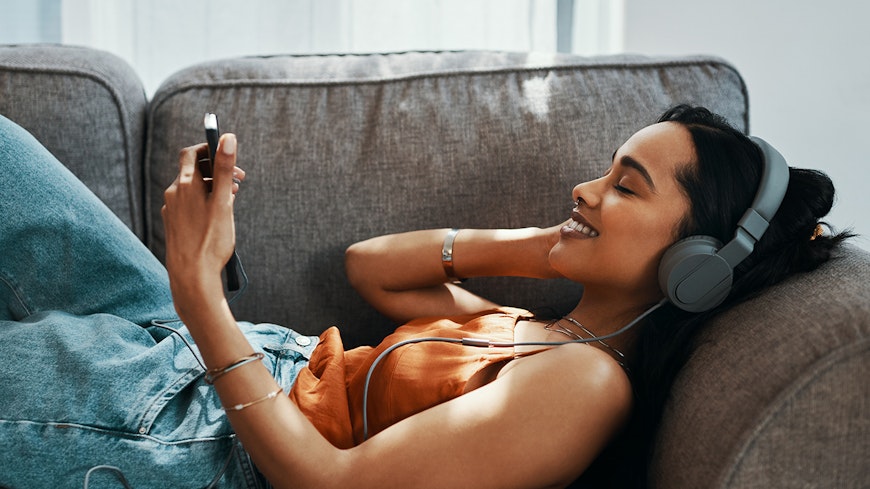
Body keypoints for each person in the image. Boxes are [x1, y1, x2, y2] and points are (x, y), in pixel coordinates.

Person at [0, 105, 849, 489]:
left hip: (198, 435)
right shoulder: (544, 333)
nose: (587, 187)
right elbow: (374, 267)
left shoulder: (583, 387)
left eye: (624, 186)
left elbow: (326, 482)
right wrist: (543, 242)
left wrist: (198, 290)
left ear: (693, 265)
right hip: (218, 356)